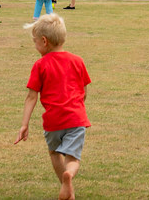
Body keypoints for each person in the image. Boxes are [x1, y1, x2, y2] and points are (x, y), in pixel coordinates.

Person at [15, 14, 91, 200]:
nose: (34, 46)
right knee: (72, 158)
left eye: (34, 42)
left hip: (53, 121)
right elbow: (84, 91)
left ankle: (67, 188)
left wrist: (24, 124)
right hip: (75, 118)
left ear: (44, 41)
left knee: (54, 153)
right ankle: (69, 176)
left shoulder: (40, 65)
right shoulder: (77, 61)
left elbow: (31, 97)